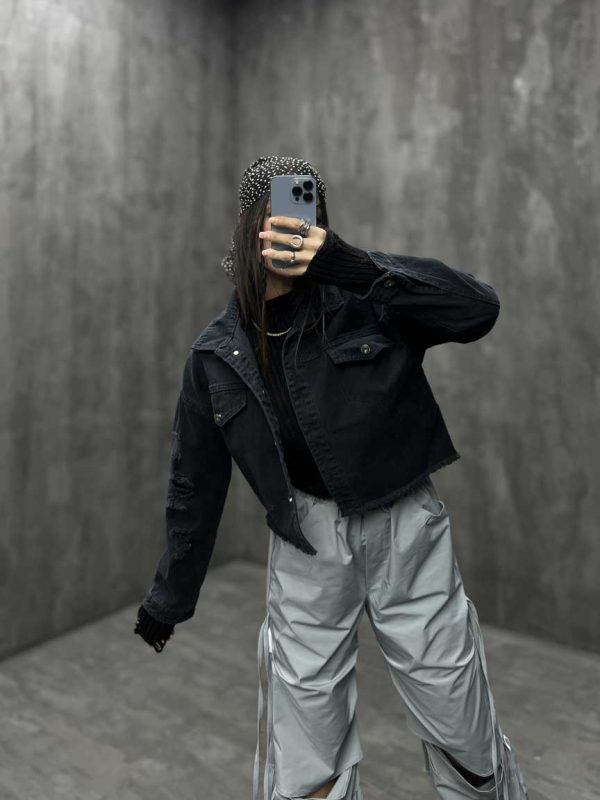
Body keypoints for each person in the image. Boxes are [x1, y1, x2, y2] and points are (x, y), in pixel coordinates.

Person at [134, 155, 529, 800]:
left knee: (458, 713)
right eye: (278, 211)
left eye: (307, 208)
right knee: (307, 744)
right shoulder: (216, 355)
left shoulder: (369, 301)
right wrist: (169, 598)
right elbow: (194, 486)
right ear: (251, 225)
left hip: (405, 528)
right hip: (306, 541)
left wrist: (351, 265)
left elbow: (477, 307)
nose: (294, 223)